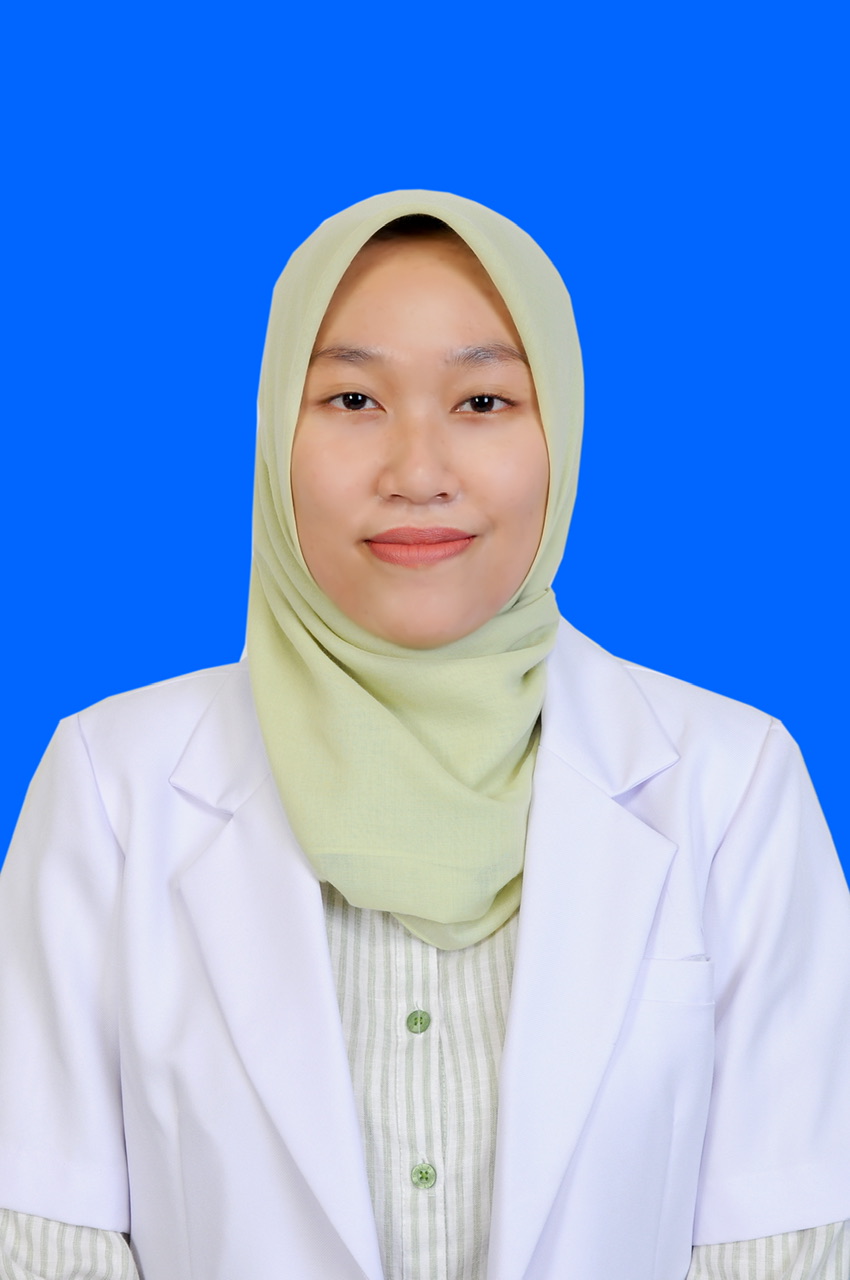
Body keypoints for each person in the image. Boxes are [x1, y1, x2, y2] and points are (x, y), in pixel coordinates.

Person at [0, 190, 848, 1280]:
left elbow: (787, 1237)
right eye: (352, 398)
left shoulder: (731, 783)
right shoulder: (112, 784)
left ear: (560, 433)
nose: (416, 471)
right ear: (273, 432)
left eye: (483, 401)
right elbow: (41, 1232)